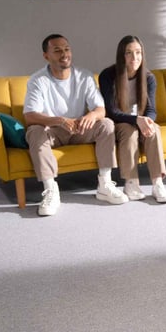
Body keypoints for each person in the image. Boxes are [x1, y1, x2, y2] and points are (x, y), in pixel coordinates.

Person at [24, 34, 129, 217]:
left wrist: (91, 115)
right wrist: (59, 120)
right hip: (53, 131)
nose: (64, 54)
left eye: (67, 49)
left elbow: (100, 109)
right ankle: (51, 191)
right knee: (34, 131)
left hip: (80, 128)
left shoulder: (84, 76)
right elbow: (30, 116)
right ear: (46, 55)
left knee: (106, 124)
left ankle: (105, 184)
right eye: (57, 50)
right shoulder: (37, 80)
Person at [99, 35, 166, 203]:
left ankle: (157, 183)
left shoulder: (148, 77)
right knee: (129, 132)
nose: (134, 58)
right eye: (129, 53)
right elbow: (111, 111)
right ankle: (131, 183)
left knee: (153, 129)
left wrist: (147, 121)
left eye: (138, 52)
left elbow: (151, 109)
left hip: (138, 121)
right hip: (118, 122)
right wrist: (137, 120)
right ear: (121, 55)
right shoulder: (108, 75)